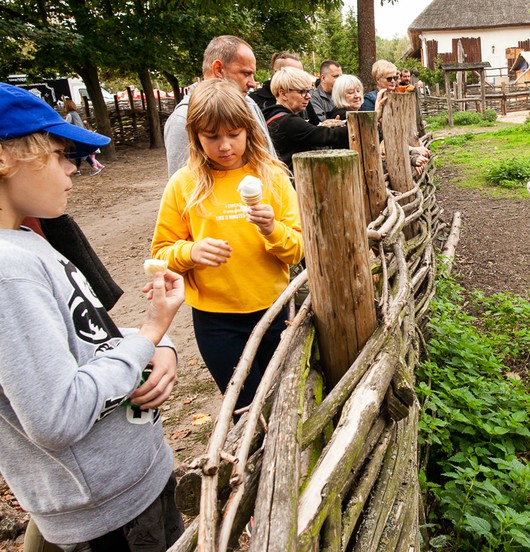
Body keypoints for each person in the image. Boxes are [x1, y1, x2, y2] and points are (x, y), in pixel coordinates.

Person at [0, 82, 186, 550]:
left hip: (130, 485)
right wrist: (149, 335)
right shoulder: (8, 272)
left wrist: (160, 343)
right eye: (59, 154)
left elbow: (84, 338)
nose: (72, 168)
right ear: (3, 157)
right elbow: (57, 416)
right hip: (107, 515)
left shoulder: (26, 243)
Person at [152, 79, 304, 418]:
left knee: (282, 401)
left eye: (234, 134)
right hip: (216, 322)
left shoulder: (273, 176)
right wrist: (190, 253)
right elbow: (161, 253)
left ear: (249, 129)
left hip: (273, 311)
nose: (224, 146)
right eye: (211, 137)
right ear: (195, 137)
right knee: (244, 409)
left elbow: (296, 250)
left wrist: (272, 229)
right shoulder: (184, 184)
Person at [164, 35, 276, 177]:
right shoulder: (183, 118)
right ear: (218, 69)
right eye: (246, 73)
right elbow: (184, 185)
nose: (252, 83)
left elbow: (268, 160)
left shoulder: (248, 103)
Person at [262, 67, 350, 168]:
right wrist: (356, 127)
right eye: (302, 92)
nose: (308, 96)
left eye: (308, 91)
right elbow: (327, 136)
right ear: (283, 93)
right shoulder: (288, 121)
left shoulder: (273, 116)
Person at [62, 98, 104, 175]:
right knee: (78, 153)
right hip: (80, 135)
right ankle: (78, 170)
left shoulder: (70, 115)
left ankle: (94, 167)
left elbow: (65, 125)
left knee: (81, 152)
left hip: (76, 137)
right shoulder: (75, 114)